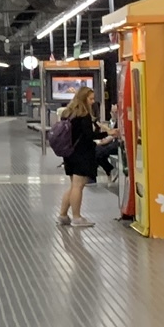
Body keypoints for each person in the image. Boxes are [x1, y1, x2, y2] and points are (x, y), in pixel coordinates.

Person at [54, 87, 106, 227]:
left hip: (68, 153)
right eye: (90, 99)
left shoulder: (68, 113)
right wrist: (107, 134)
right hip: (81, 154)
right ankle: (77, 217)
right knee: (78, 186)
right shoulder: (84, 115)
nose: (92, 101)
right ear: (83, 99)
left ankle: (63, 216)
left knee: (73, 186)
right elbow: (89, 136)